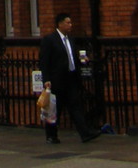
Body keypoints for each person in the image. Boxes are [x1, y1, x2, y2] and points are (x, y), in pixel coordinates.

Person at [39, 12, 97, 144]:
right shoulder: (50, 40)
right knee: (54, 110)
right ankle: (51, 135)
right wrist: (46, 79)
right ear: (59, 24)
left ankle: (85, 133)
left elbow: (72, 57)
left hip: (70, 79)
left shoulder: (70, 39)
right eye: (68, 22)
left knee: (75, 106)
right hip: (56, 80)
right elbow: (44, 61)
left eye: (71, 22)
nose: (70, 25)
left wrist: (83, 60)